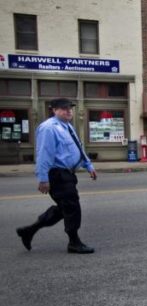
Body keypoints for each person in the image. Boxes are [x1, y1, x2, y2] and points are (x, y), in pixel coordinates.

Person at [15, 98, 97, 254]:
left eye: (70, 108)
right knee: (72, 207)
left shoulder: (67, 127)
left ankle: (29, 231)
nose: (68, 111)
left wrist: (88, 165)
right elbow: (43, 154)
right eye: (63, 108)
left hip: (67, 174)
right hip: (57, 175)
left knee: (64, 208)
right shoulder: (49, 128)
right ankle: (74, 242)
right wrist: (43, 179)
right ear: (54, 110)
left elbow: (78, 147)